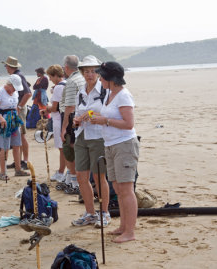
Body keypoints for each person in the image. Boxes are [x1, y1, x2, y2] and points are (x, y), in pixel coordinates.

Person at [90, 61, 140, 243]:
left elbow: (129, 124)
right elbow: (109, 117)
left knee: (126, 189)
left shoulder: (124, 96)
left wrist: (105, 121)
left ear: (111, 78)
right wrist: (99, 119)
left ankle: (130, 232)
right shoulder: (110, 93)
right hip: (111, 144)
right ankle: (123, 226)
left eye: (102, 75)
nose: (99, 78)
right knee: (118, 188)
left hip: (124, 145)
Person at [71, 55, 110, 228]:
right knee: (81, 175)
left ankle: (104, 213)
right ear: (82, 73)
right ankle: (90, 213)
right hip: (82, 135)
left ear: (99, 73)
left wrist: (92, 115)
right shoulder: (81, 92)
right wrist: (76, 120)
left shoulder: (105, 91)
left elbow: (110, 114)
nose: (90, 74)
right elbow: (78, 113)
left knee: (99, 176)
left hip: (98, 137)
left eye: (93, 71)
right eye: (86, 71)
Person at [0, 74, 30, 180]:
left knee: (17, 145)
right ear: (9, 84)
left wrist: (16, 116)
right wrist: (1, 118)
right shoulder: (0, 91)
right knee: (5, 147)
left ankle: (18, 170)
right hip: (3, 120)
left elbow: (16, 106)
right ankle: (3, 173)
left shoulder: (15, 92)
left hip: (13, 119)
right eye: (13, 88)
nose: (13, 90)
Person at [59, 55, 85, 192]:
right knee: (76, 149)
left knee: (69, 149)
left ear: (66, 67)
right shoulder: (81, 78)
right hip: (80, 117)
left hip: (72, 118)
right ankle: (72, 179)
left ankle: (75, 183)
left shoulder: (71, 81)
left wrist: (63, 128)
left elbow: (69, 107)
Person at [2, 56, 32, 170]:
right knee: (18, 136)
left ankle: (24, 161)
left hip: (19, 108)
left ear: (9, 66)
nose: (5, 68)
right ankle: (18, 161)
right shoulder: (17, 75)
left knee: (22, 135)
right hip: (17, 108)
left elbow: (28, 93)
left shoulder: (19, 76)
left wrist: (19, 106)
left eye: (6, 66)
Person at [41, 64, 67, 183]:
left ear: (55, 75)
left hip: (58, 120)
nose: (50, 79)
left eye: (50, 77)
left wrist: (46, 109)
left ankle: (61, 172)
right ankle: (64, 171)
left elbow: (55, 108)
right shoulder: (67, 84)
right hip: (64, 118)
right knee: (65, 147)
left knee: (62, 148)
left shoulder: (58, 88)